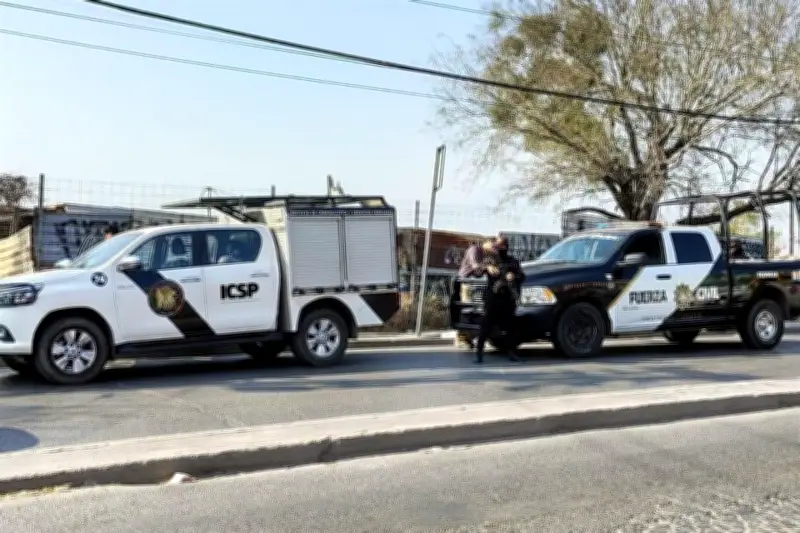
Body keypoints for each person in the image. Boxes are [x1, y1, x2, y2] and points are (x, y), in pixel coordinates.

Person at [474, 236, 525, 364]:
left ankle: (512, 352)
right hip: (493, 299)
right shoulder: (489, 260)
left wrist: (513, 276)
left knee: (511, 327)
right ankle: (479, 353)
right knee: (485, 326)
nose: (499, 249)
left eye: (502, 246)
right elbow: (477, 271)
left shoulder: (512, 262)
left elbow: (522, 276)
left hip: (507, 299)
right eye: (497, 247)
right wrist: (487, 268)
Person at [454, 237, 500, 348]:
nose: (495, 246)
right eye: (493, 243)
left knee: (481, 311)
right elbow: (476, 267)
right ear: (486, 242)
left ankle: (473, 336)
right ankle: (461, 338)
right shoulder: (475, 250)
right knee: (467, 309)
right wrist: (488, 267)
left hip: (481, 285)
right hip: (468, 283)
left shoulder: (491, 254)